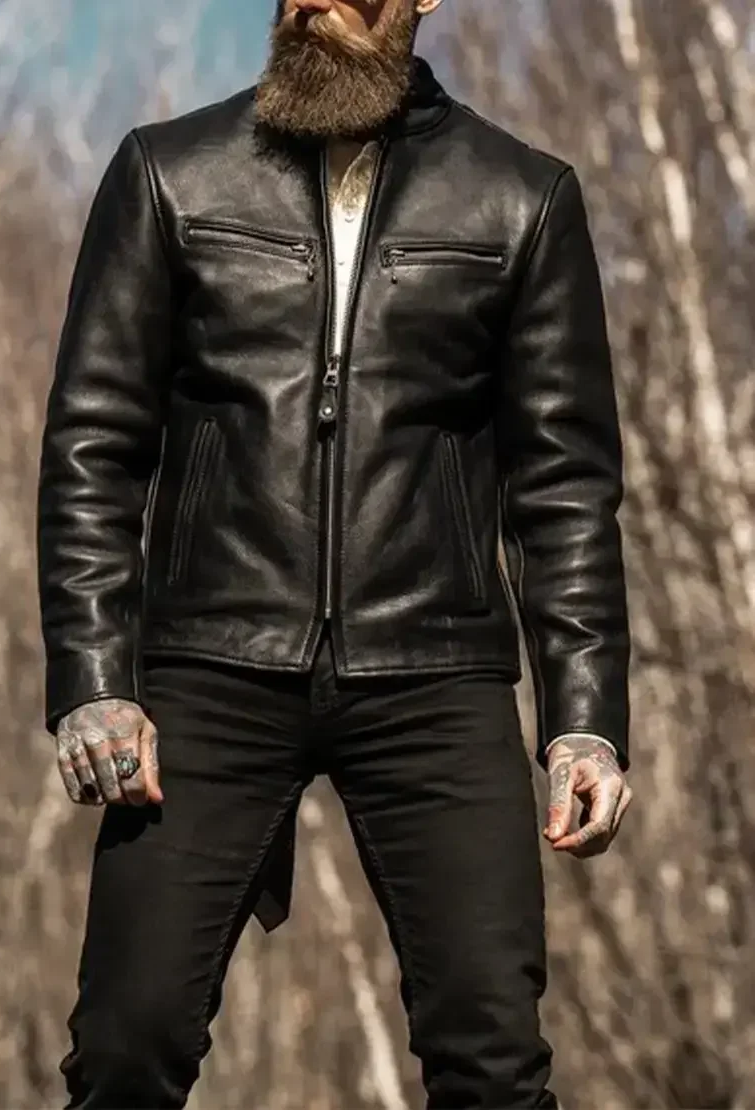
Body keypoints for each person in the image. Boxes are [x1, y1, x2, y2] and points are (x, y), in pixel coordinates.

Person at [36, 0, 634, 1105]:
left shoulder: (522, 197)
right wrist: (93, 682)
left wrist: (584, 720)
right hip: (209, 665)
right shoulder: (171, 175)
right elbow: (93, 446)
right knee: (126, 1045)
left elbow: (564, 488)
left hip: (437, 674)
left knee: (494, 1059)